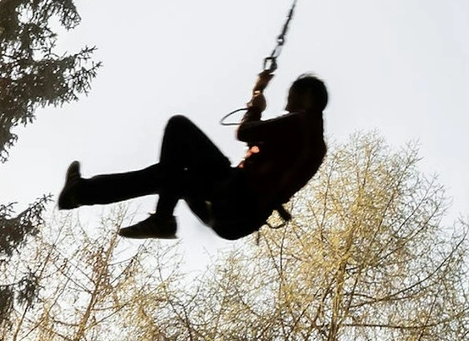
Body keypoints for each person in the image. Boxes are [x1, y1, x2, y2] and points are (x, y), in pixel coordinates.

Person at [59, 73, 329, 241]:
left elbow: (244, 132)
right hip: (236, 220)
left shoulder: (301, 122)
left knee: (178, 127)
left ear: (306, 98)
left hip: (234, 196)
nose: (286, 107)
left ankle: (161, 218)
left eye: (291, 100)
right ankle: (79, 193)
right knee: (169, 177)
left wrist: (255, 104)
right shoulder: (314, 145)